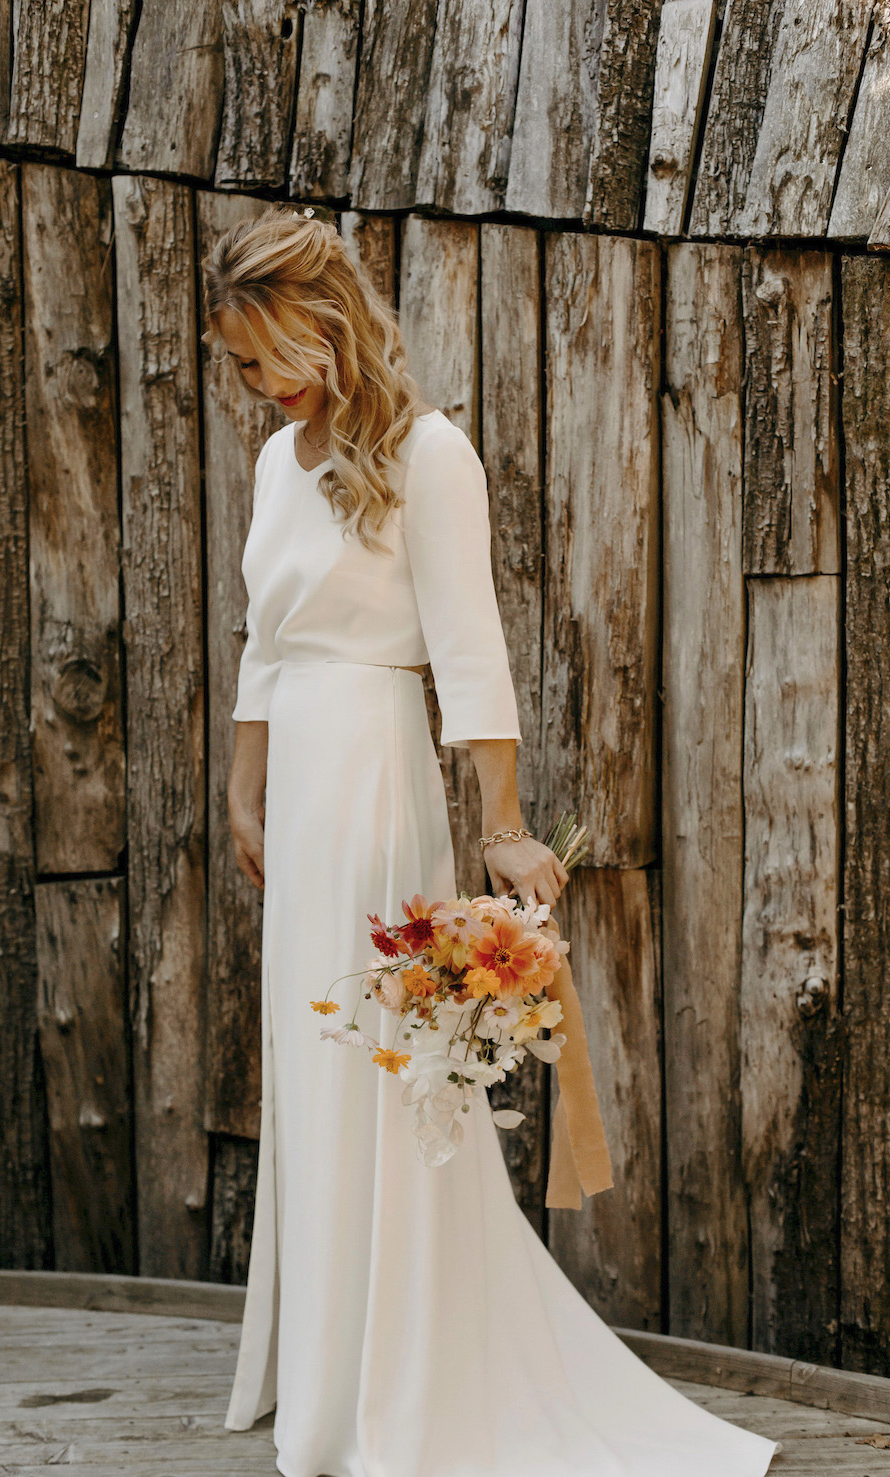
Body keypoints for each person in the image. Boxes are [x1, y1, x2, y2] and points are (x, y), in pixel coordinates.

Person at [201, 204, 779, 1477]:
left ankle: (402, 1376)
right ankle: (325, 1362)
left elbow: (470, 656)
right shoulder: (273, 462)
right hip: (292, 782)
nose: (247, 384)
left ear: (319, 324)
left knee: (380, 1058)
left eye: (257, 356)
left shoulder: (428, 452)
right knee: (313, 1059)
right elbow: (260, 641)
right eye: (237, 362)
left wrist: (504, 828)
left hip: (367, 775)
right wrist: (241, 790)